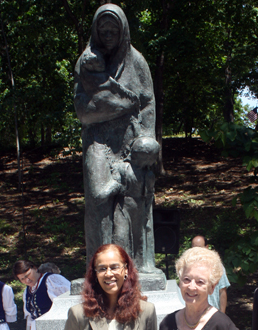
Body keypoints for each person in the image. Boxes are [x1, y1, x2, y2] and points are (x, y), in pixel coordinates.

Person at [74, 4, 158, 272]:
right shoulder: (85, 62)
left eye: (114, 28)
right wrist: (121, 106)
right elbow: (83, 111)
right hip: (97, 142)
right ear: (96, 30)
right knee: (98, 202)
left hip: (131, 145)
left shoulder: (137, 62)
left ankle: (139, 266)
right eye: (103, 28)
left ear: (123, 31)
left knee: (135, 203)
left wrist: (145, 141)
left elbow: (147, 105)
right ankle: (98, 266)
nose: (108, 33)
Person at [191, 235, 230, 312]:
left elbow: (222, 291)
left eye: (199, 248)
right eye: (194, 248)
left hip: (213, 313)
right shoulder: (187, 267)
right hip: (193, 314)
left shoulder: (217, 265)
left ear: (206, 247)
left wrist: (222, 315)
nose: (196, 251)